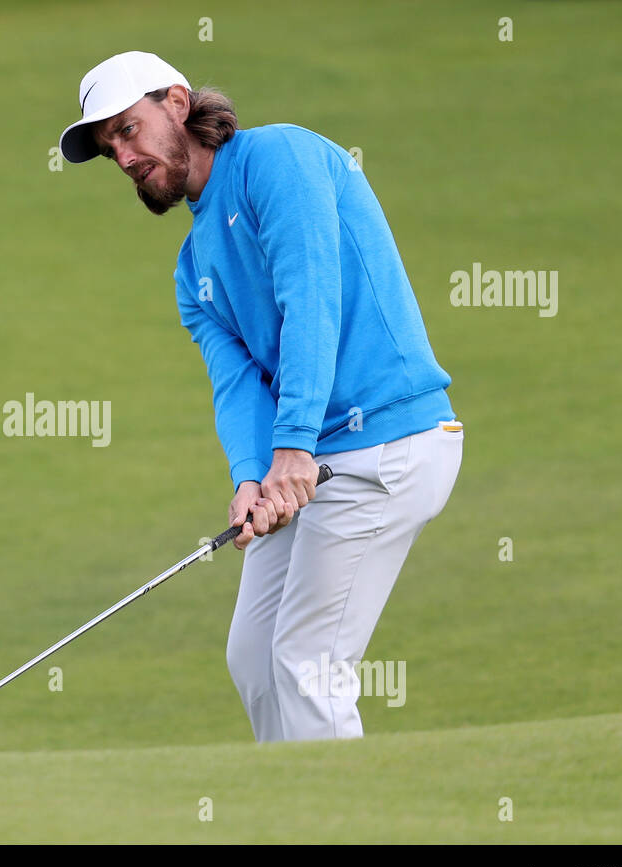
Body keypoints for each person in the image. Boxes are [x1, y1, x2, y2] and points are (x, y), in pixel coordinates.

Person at [58, 51, 463, 742]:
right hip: (304, 466)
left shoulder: (279, 160)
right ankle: (295, 817)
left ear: (177, 104)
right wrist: (251, 477)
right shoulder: (193, 271)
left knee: (307, 661)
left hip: (387, 447)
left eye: (128, 129)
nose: (123, 156)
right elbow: (238, 383)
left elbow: (312, 302)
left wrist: (294, 446)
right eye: (109, 148)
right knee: (253, 657)